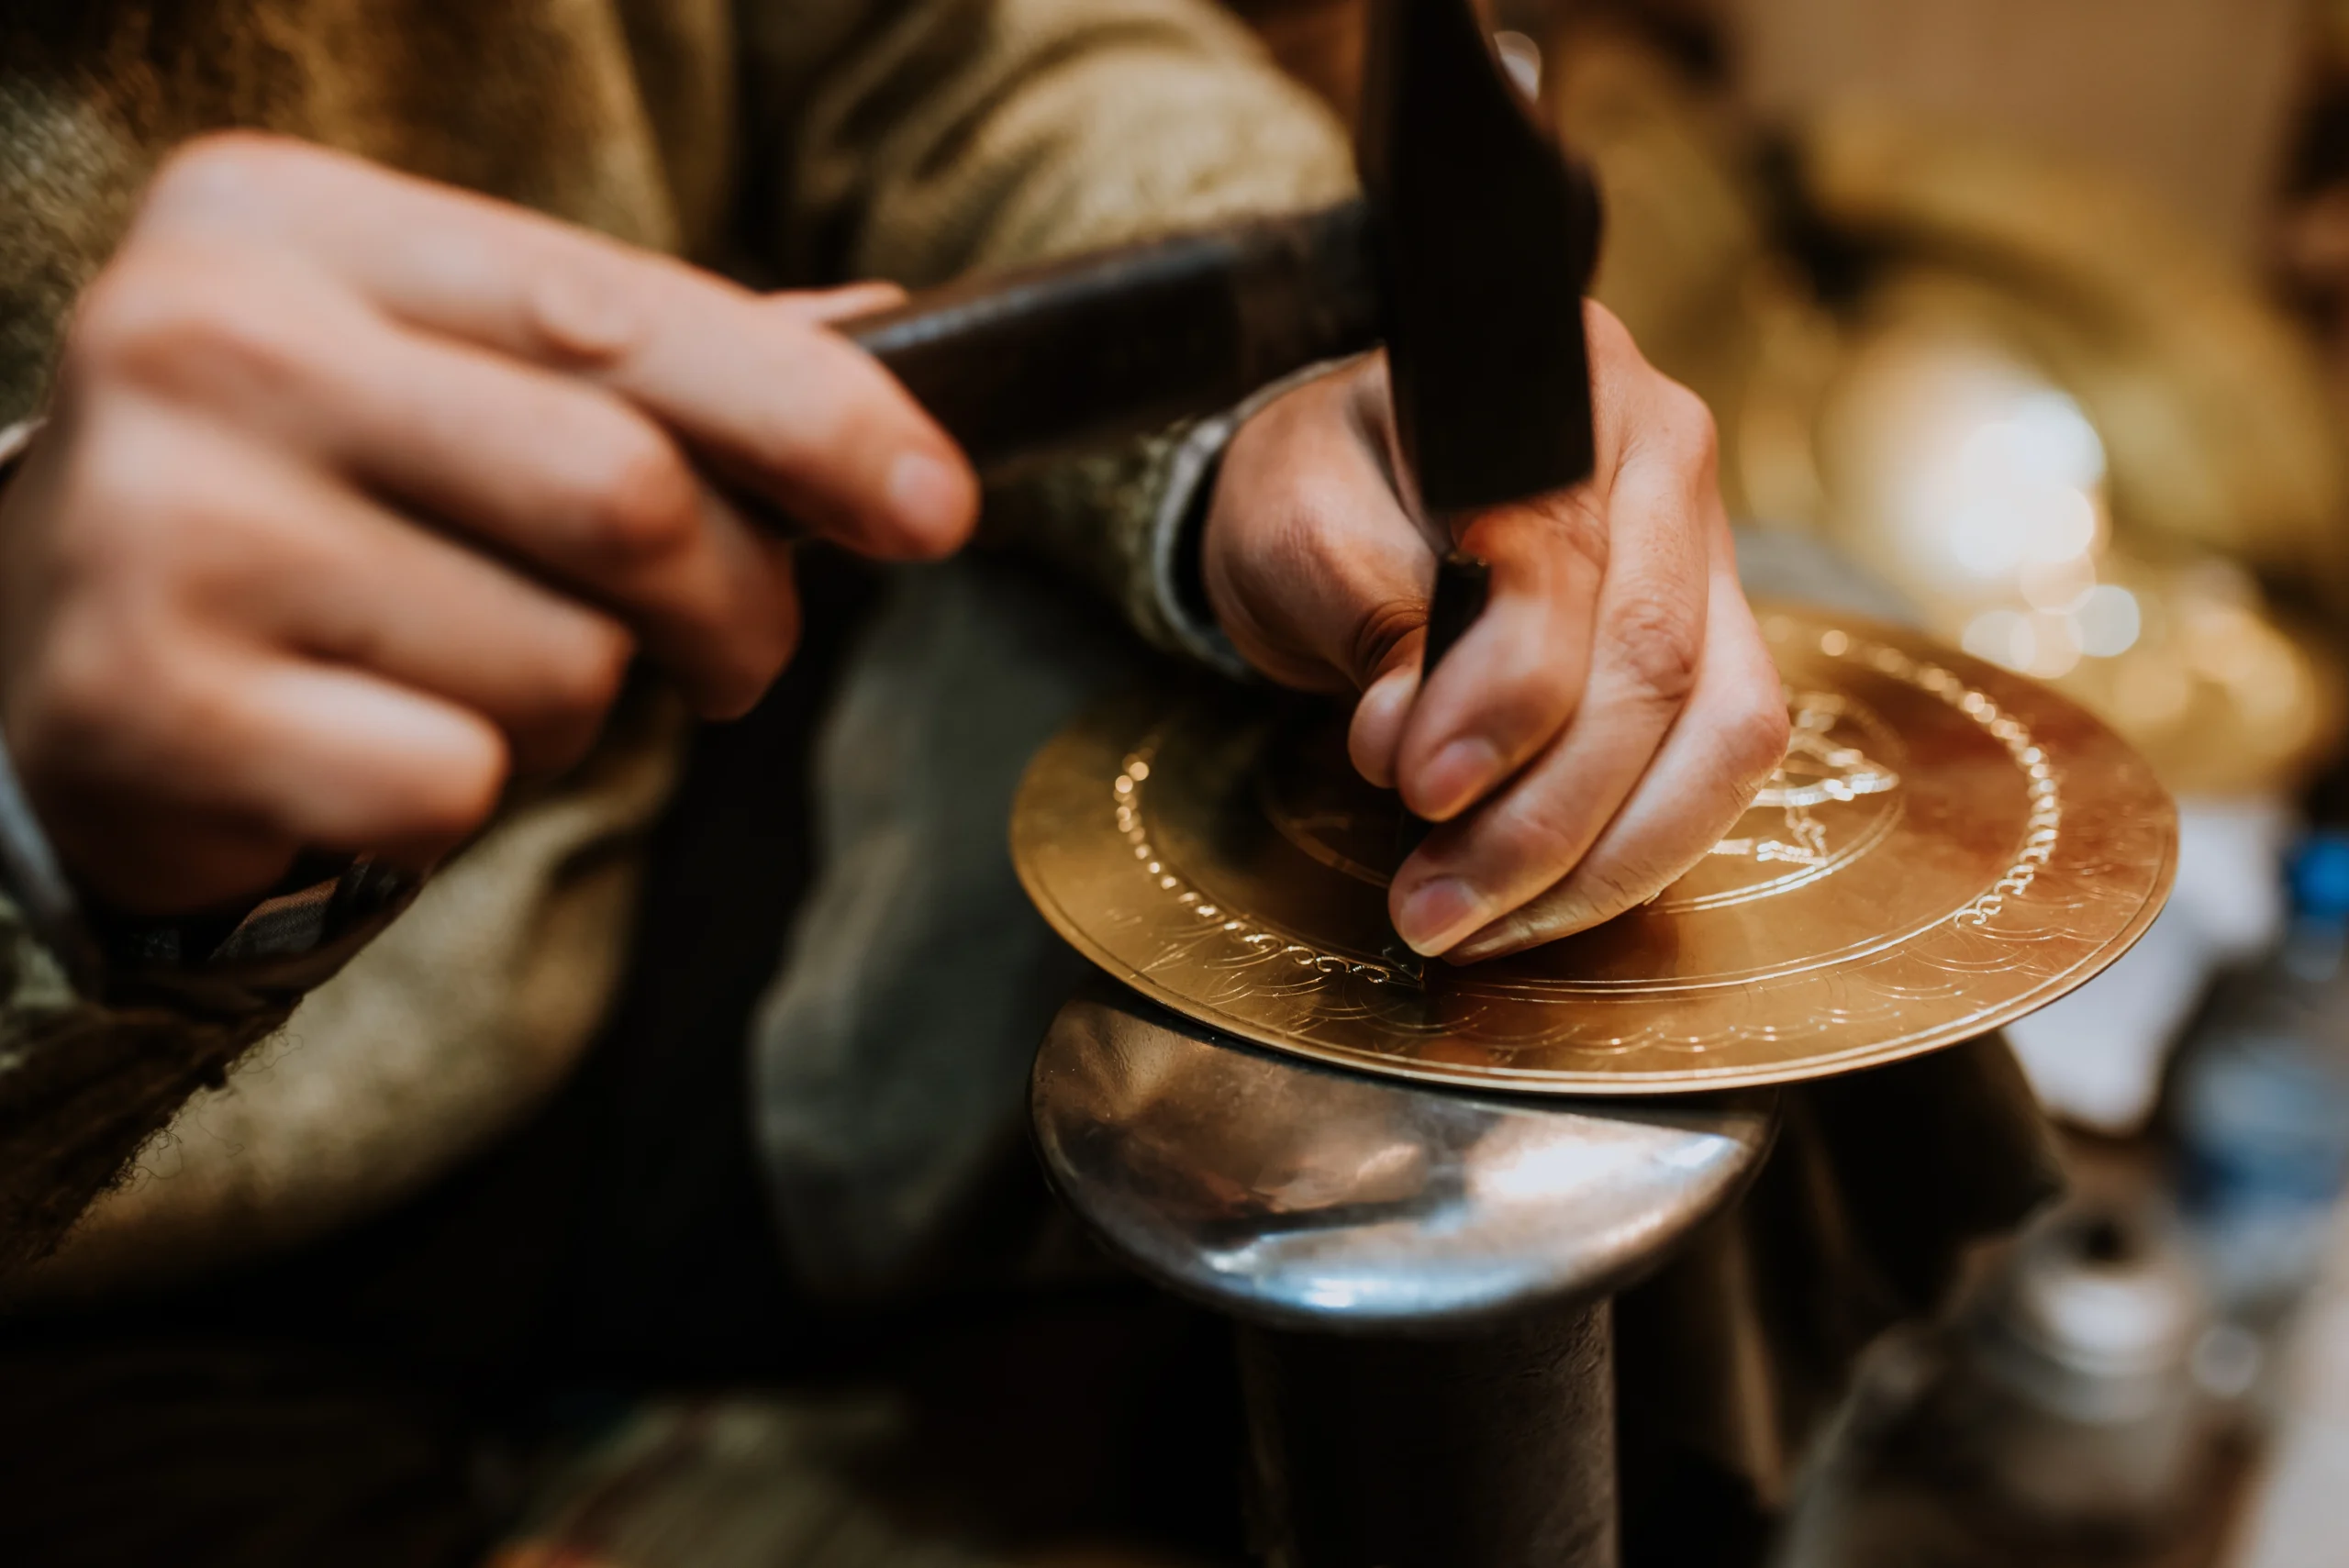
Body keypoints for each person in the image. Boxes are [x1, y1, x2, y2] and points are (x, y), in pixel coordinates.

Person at [0, 0, 1785, 1561]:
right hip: (86, 1285)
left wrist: (1264, 400)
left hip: (634, 829)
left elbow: (931, 44)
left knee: (1696, 977)